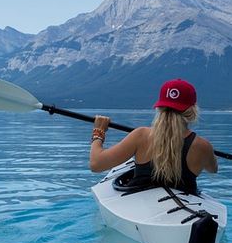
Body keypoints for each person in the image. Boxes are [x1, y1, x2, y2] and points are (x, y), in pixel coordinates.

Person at [89, 79, 217, 195]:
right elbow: (213, 169)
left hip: (139, 203)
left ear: (159, 107)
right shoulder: (203, 146)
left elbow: (96, 164)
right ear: (192, 110)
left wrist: (98, 132)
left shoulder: (141, 135)